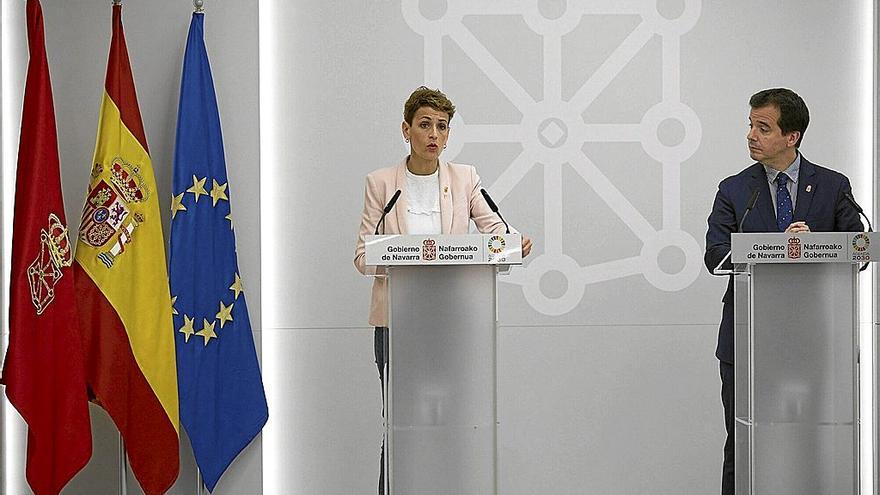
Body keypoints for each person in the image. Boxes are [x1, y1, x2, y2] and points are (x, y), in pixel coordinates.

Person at [353, 86, 532, 493]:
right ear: (406, 129)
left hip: (452, 327)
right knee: (400, 425)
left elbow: (494, 232)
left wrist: (511, 242)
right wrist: (401, 256)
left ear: (449, 135)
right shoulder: (381, 184)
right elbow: (364, 257)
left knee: (451, 425)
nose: (434, 134)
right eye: (425, 124)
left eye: (442, 127)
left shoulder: (465, 178)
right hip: (396, 326)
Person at [704, 87, 863, 495]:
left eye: (763, 128)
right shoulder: (735, 189)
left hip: (811, 342)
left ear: (791, 137)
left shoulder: (831, 186)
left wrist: (812, 247)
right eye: (751, 126)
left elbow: (859, 248)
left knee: (813, 442)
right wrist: (775, 246)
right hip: (747, 340)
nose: (751, 136)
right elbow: (716, 256)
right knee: (742, 446)